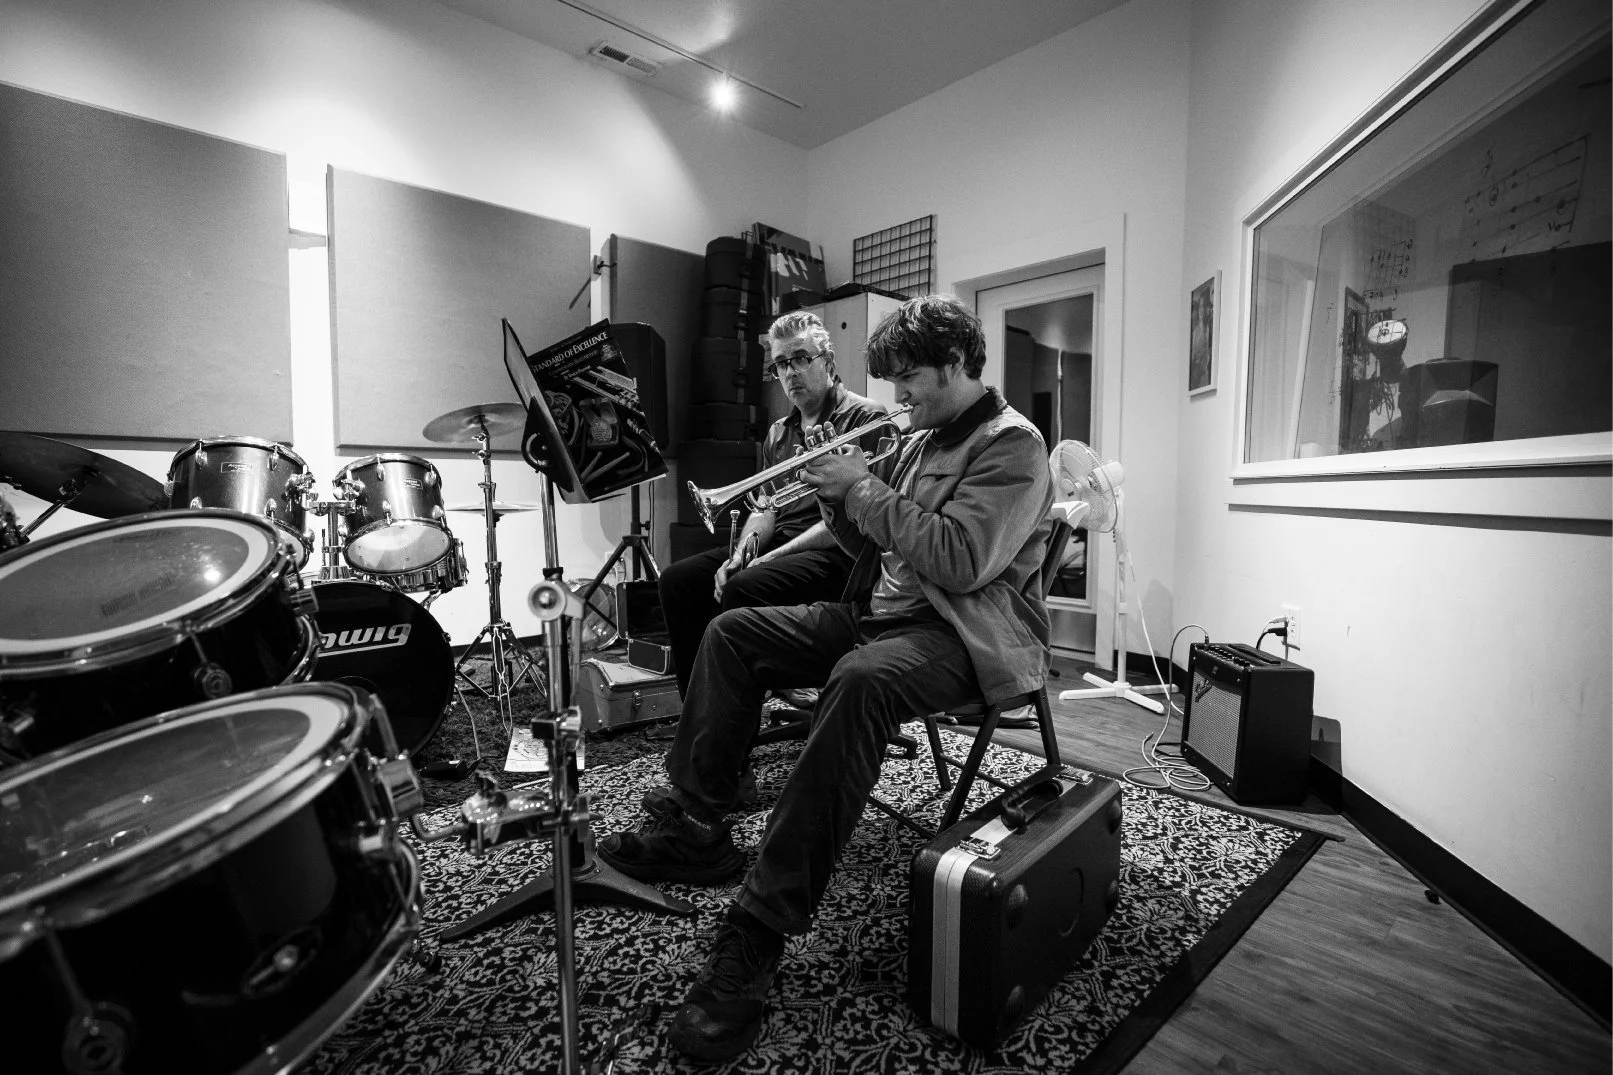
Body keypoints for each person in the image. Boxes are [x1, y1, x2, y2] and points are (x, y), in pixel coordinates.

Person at [600, 294, 1055, 1063]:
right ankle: (700, 824)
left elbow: (957, 559)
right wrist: (833, 497)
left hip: (960, 632)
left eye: (910, 379)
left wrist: (862, 489)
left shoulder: (1013, 446)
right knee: (731, 632)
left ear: (955, 365)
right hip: (882, 613)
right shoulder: (918, 433)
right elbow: (872, 546)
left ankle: (759, 927)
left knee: (858, 681)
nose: (899, 396)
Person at [657, 310, 888, 700]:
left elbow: (853, 521)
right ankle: (699, 712)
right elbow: (766, 506)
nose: (790, 373)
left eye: (800, 358)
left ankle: (736, 732)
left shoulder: (866, 418)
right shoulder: (778, 433)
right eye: (781, 364)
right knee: (678, 581)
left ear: (828, 362)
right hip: (781, 546)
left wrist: (768, 559)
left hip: (840, 554)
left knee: (744, 587)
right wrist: (743, 552)